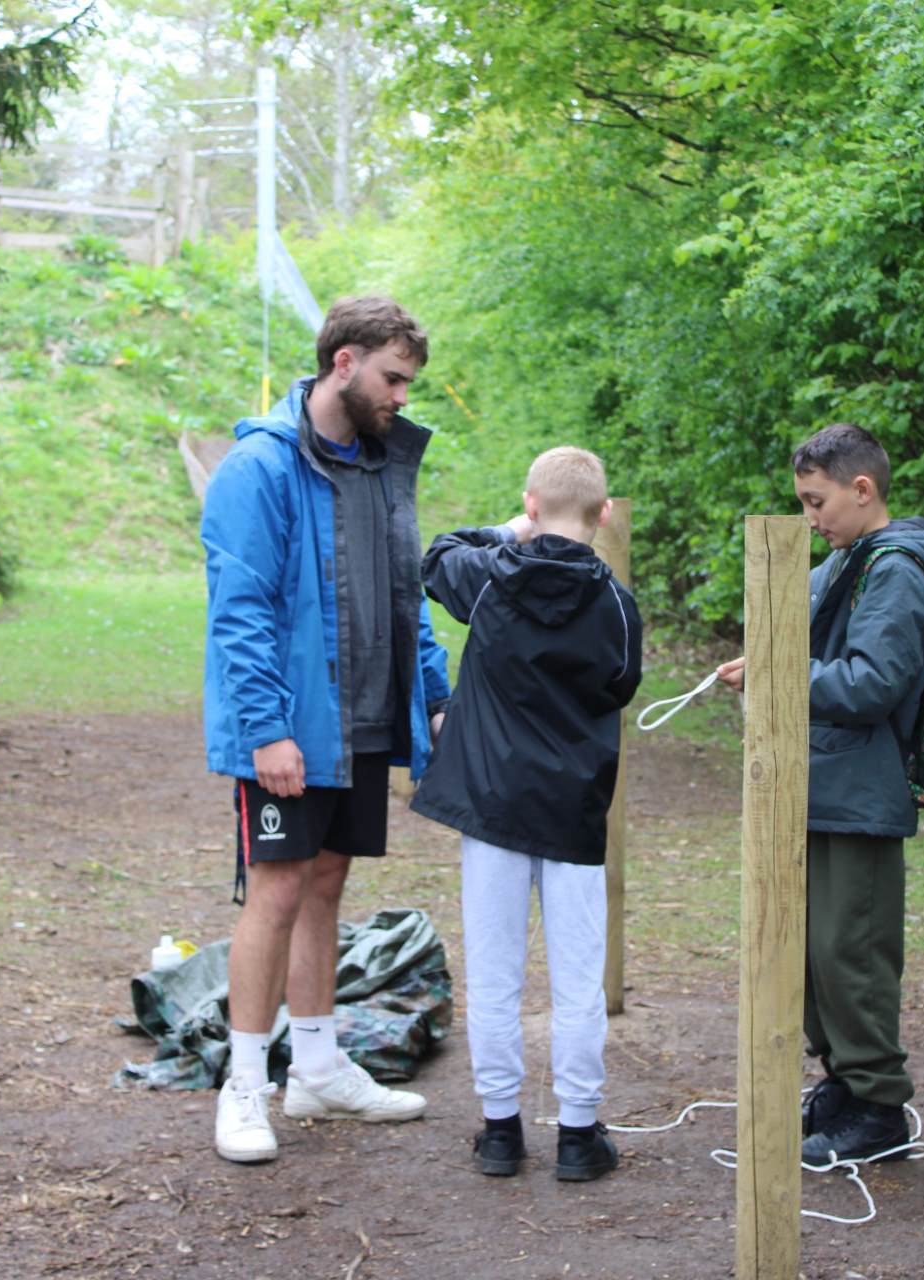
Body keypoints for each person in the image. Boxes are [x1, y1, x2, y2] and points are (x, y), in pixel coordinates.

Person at [200, 295, 453, 1164]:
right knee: (275, 889)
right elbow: (239, 611)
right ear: (343, 363)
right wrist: (267, 729)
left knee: (327, 883)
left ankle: (315, 1067)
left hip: (365, 717)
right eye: (393, 378)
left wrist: (434, 696)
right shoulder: (259, 467)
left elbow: (407, 593)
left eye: (408, 383)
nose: (402, 398)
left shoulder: (384, 465)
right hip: (291, 727)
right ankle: (243, 1086)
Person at [716, 422, 924, 1164]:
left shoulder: (896, 571)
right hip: (820, 783)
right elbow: (804, 649)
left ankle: (879, 1108)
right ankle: (845, 1083)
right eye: (802, 503)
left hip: (862, 795)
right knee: (809, 953)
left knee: (849, 952)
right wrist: (764, 660)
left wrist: (775, 674)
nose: (810, 518)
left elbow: (872, 683)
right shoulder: (848, 561)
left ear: (862, 490)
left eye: (816, 501)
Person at [411, 446, 644, 1181]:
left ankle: (501, 1132)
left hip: (493, 806)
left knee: (494, 975)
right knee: (578, 980)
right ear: (603, 514)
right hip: (573, 809)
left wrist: (511, 531)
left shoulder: (488, 576)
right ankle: (577, 1135)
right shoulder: (616, 604)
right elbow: (621, 683)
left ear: (531, 505)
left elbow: (436, 556)